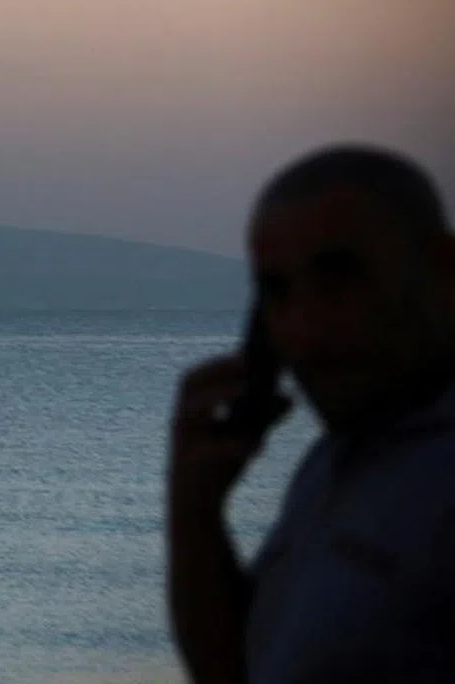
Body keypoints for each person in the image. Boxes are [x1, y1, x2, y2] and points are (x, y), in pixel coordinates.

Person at [167, 143, 455, 683]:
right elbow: (236, 670)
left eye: (339, 284)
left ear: (443, 270)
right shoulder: (336, 461)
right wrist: (194, 511)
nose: (304, 331)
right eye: (278, 296)